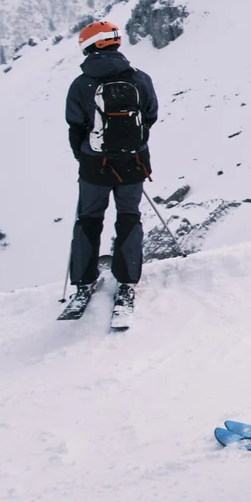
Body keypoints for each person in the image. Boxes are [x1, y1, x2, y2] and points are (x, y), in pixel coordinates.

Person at [64, 20, 157, 317]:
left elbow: (75, 124)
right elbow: (150, 116)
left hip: (95, 165)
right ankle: (127, 282)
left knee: (89, 219)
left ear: (90, 46)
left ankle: (83, 282)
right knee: (129, 217)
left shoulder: (81, 84)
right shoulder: (140, 78)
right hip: (134, 162)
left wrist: (85, 156)